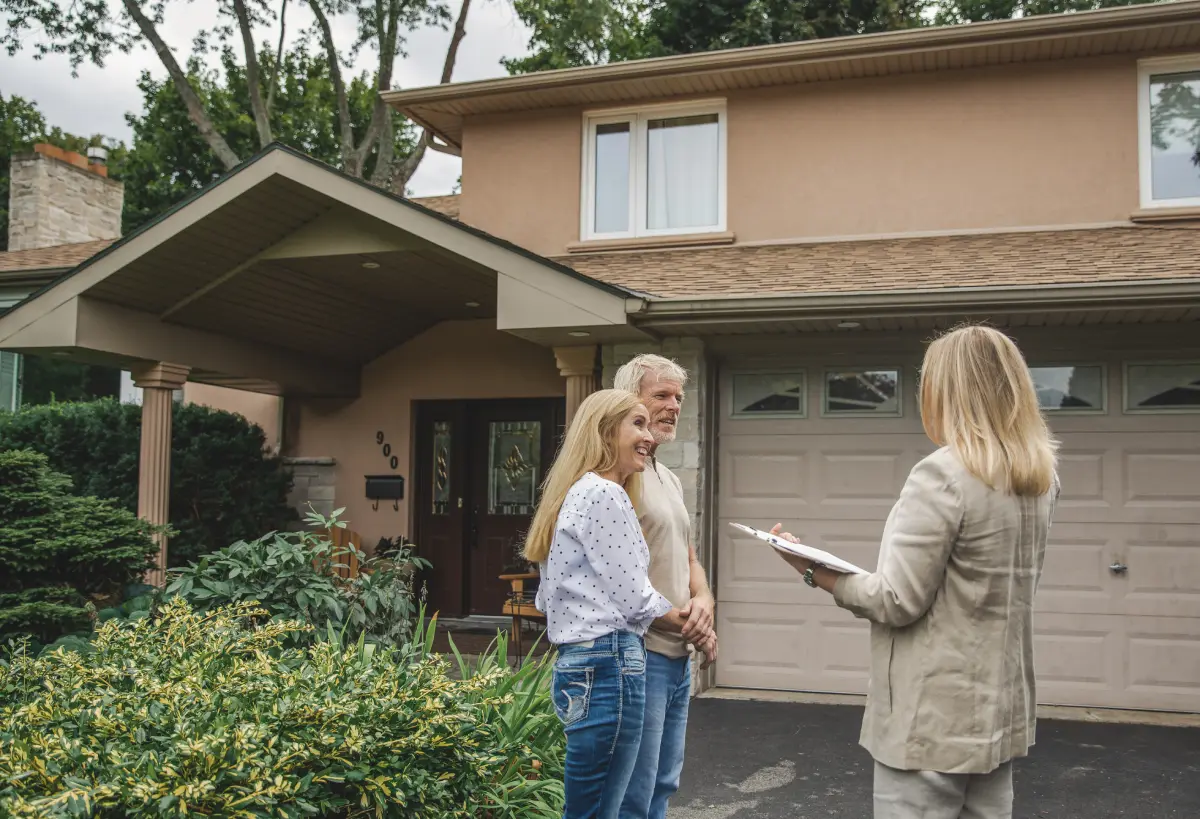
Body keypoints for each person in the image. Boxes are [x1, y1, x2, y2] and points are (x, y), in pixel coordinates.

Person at [771, 324, 1061, 819]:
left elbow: (895, 601)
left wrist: (811, 569)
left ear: (947, 391)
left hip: (932, 719)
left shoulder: (942, 474)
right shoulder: (1039, 476)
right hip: (998, 711)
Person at [524, 388, 693, 819]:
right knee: (601, 811)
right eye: (636, 424)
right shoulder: (605, 494)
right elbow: (636, 598)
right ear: (603, 432)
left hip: (578, 664)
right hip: (610, 664)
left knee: (586, 808)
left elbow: (548, 598)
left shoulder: (574, 493)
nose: (649, 437)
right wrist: (693, 625)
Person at [612, 354, 717, 819]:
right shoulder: (618, 478)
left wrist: (705, 602)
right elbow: (617, 581)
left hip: (677, 658)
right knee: (634, 790)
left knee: (663, 782)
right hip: (640, 655)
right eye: (661, 395)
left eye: (678, 396)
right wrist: (688, 626)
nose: (674, 405)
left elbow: (689, 556)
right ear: (629, 401)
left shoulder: (666, 476)